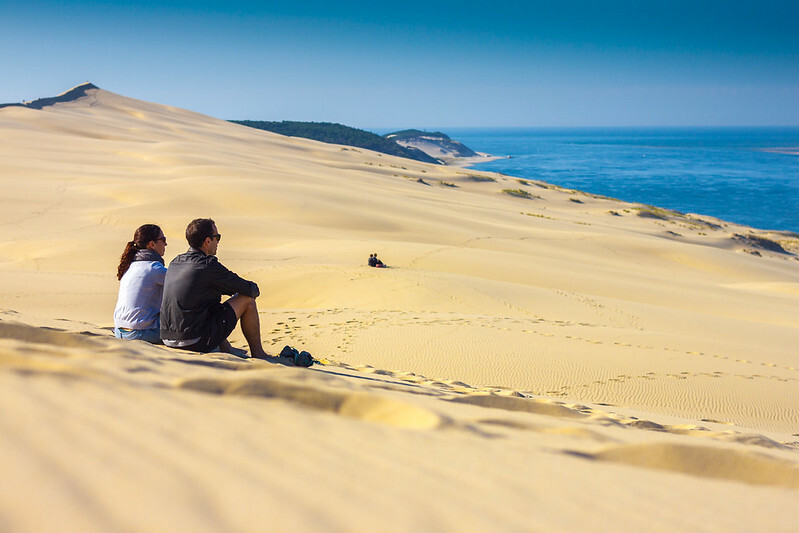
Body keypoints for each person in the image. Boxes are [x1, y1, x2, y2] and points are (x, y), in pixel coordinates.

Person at [160, 218, 312, 367]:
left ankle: (227, 349)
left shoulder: (175, 261)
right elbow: (250, 290)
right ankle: (259, 354)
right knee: (246, 300)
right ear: (207, 241)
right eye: (217, 237)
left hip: (167, 338)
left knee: (210, 304)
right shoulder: (207, 265)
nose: (218, 242)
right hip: (193, 341)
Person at [113, 224, 168, 344]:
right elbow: (181, 284)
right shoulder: (153, 268)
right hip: (141, 333)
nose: (165, 244)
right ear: (152, 244)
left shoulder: (131, 266)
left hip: (119, 331)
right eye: (163, 240)